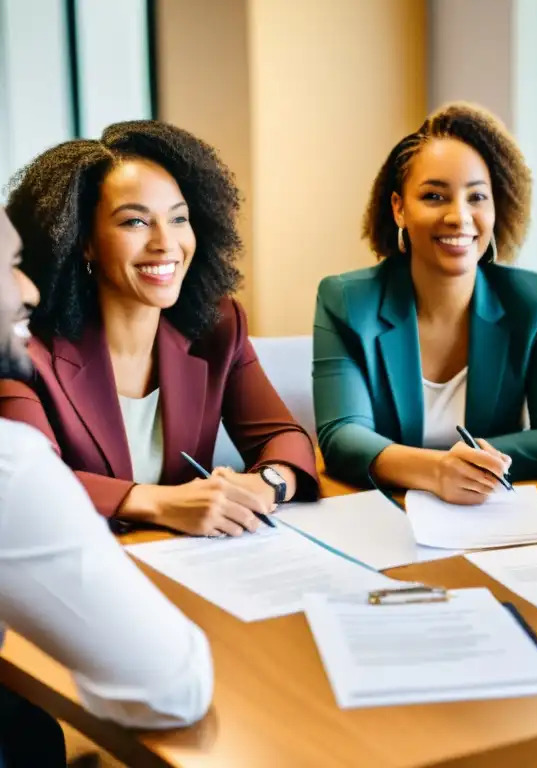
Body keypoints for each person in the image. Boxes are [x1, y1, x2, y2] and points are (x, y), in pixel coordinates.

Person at [0, 121, 319, 536]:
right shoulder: (23, 346)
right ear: (85, 241)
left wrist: (266, 485)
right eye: (135, 222)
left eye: (179, 219)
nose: (166, 243)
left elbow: (282, 435)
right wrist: (161, 502)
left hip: (191, 562)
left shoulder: (217, 324)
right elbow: (30, 488)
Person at [0, 206, 213, 766]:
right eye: (10, 265)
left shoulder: (213, 324)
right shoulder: (9, 464)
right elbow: (173, 689)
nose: (27, 289)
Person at [314, 102, 537, 502]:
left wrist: (463, 466)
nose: (459, 217)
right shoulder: (347, 300)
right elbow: (342, 438)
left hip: (487, 517)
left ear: (497, 207)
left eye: (477, 197)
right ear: (398, 208)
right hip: (387, 514)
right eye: (435, 196)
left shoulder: (534, 302)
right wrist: (436, 471)